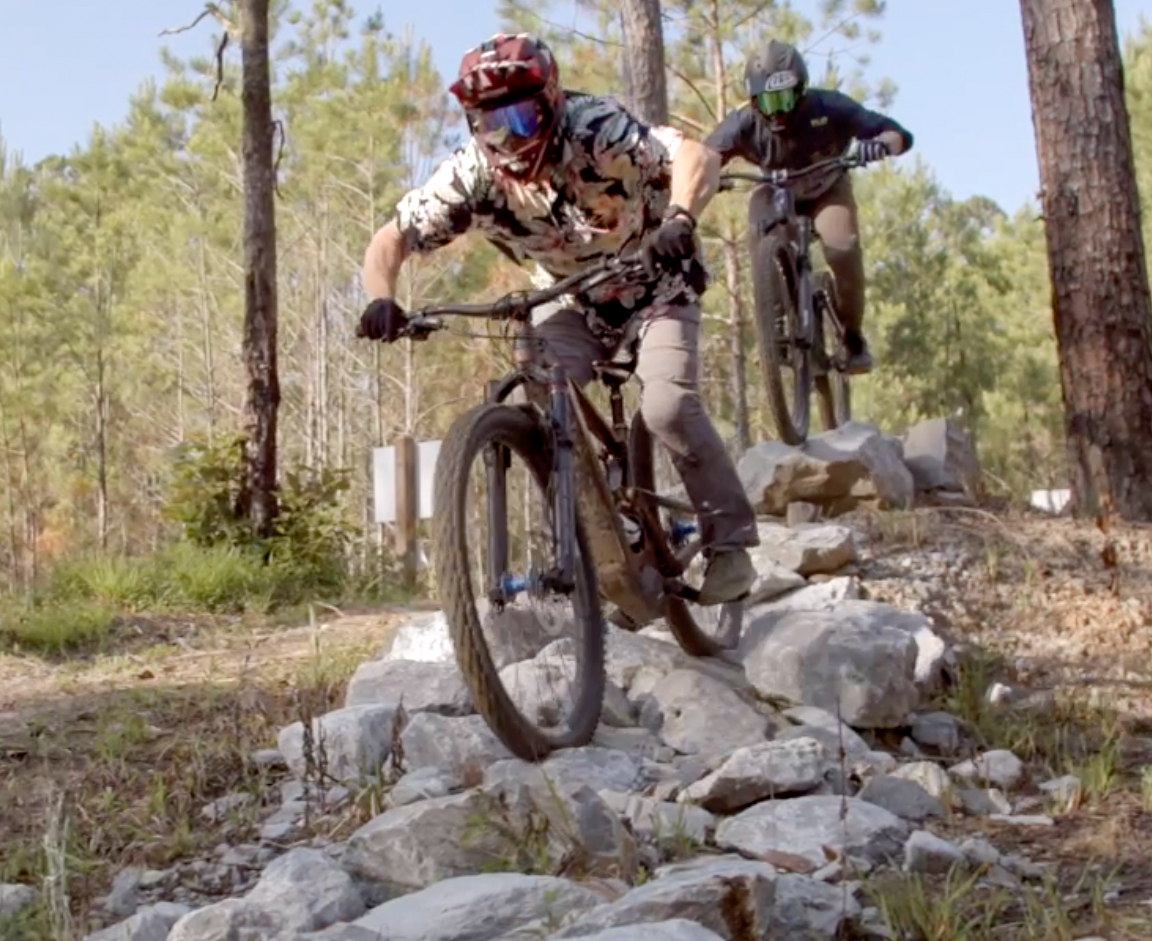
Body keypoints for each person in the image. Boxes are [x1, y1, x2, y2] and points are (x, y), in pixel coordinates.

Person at [355, 32, 759, 606]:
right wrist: (380, 297)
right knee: (540, 392)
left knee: (667, 405)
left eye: (520, 118)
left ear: (550, 101)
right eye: (490, 122)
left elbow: (697, 156)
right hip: (573, 299)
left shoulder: (597, 128)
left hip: (658, 283)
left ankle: (729, 543)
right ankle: (594, 540)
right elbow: (390, 239)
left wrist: (679, 220)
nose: (506, 136)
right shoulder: (472, 175)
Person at [678, 39, 912, 375]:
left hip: (827, 188)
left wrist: (879, 146)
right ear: (753, 100)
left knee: (842, 246)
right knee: (761, 236)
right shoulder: (744, 123)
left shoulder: (830, 107)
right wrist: (703, 179)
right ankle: (775, 334)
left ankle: (852, 337)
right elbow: (706, 157)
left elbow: (896, 133)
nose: (777, 111)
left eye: (784, 99)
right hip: (775, 191)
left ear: (801, 91)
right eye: (767, 101)